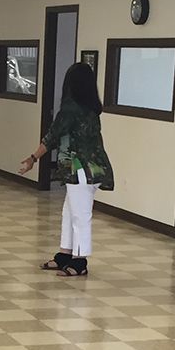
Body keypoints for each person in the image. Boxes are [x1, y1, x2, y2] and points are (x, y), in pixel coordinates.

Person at [19, 62, 114, 277]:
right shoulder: (92, 109)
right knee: (69, 212)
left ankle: (80, 262)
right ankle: (65, 254)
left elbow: (52, 136)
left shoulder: (71, 110)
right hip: (92, 168)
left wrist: (33, 158)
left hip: (81, 169)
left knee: (80, 215)